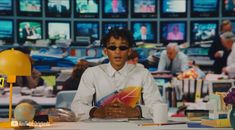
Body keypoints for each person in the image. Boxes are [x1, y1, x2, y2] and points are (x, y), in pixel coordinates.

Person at [71, 28, 162, 120]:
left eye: (122, 48)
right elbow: (76, 107)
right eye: (112, 47)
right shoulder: (92, 73)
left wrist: (137, 111)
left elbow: (158, 107)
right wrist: (96, 111)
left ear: (129, 51)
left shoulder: (143, 74)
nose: (117, 52)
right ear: (105, 51)